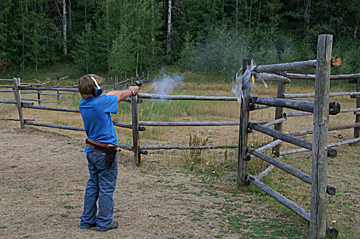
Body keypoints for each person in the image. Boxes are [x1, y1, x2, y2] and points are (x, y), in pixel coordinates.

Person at [77, 74, 139, 231]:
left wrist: (126, 90)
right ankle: (104, 222)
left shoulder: (84, 104)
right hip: (106, 152)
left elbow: (111, 95)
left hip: (92, 150)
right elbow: (119, 95)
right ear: (97, 90)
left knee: (93, 185)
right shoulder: (101, 102)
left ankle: (87, 220)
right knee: (106, 187)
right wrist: (132, 91)